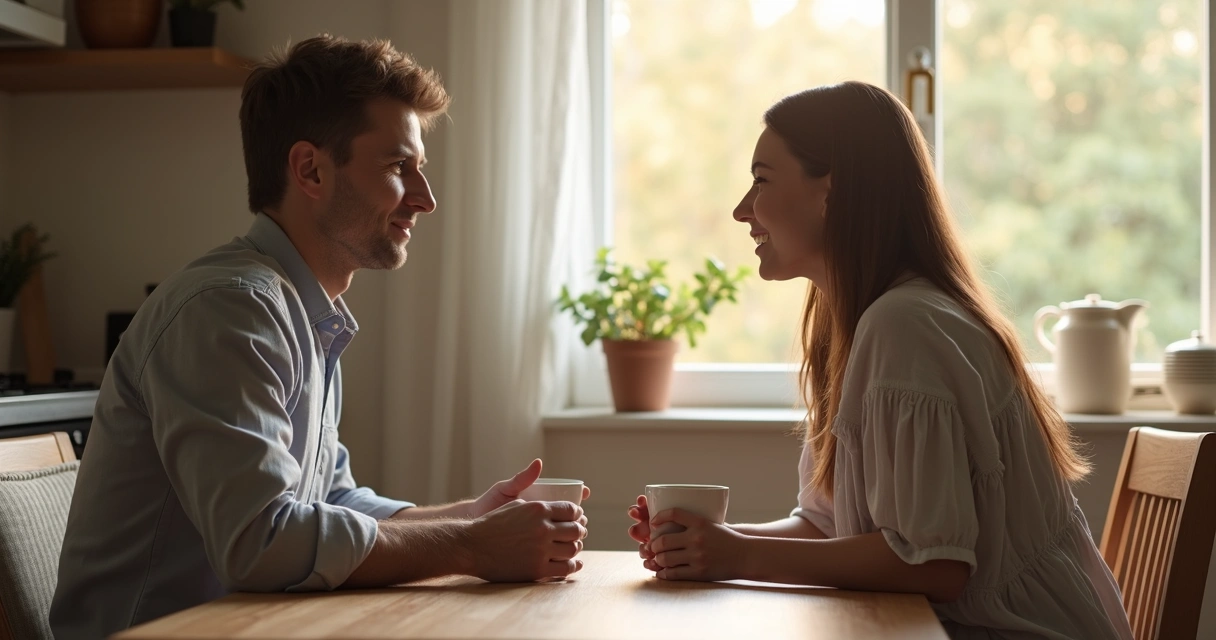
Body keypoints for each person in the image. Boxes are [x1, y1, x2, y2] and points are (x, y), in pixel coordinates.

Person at [51, 35, 588, 640]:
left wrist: (469, 518)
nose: (425, 198)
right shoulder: (230, 309)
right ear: (310, 169)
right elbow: (262, 543)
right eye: (396, 166)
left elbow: (331, 503)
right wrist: (467, 546)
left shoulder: (302, 311)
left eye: (419, 169)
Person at [626, 81, 1133, 639]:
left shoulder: (905, 325)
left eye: (762, 180)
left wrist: (738, 556)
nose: (742, 209)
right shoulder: (863, 322)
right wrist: (709, 541)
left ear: (832, 191)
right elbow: (827, 528)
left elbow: (935, 566)